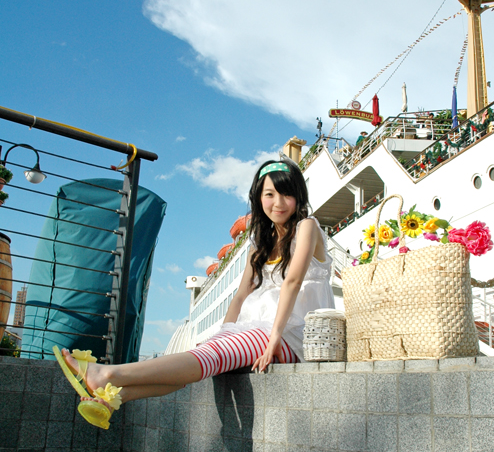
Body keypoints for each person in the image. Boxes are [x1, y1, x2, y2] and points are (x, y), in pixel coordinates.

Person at [54, 160, 335, 430]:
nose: (278, 202)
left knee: (209, 357)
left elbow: (293, 282)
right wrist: (225, 333)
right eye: (269, 194)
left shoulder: (306, 226)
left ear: (299, 196)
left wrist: (274, 338)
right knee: (203, 357)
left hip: (290, 335)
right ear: (258, 198)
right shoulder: (258, 244)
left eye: (287, 194)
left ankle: (107, 374)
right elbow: (240, 296)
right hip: (254, 330)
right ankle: (116, 396)